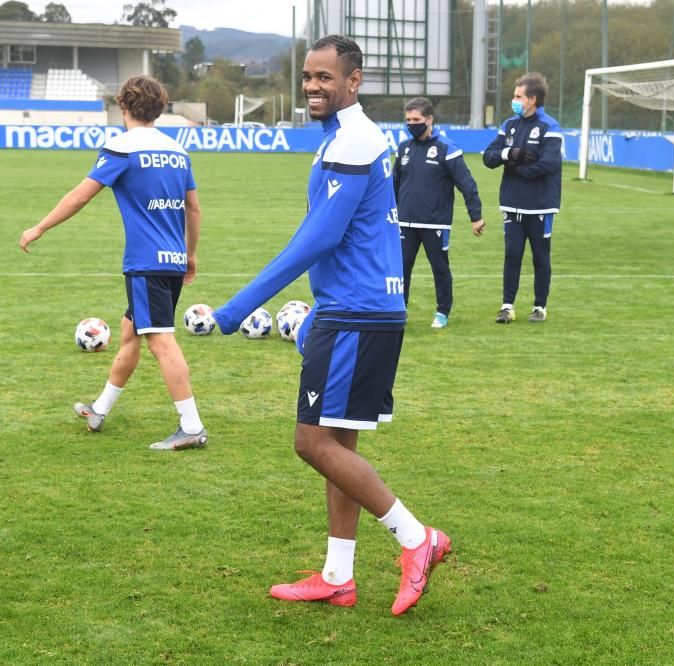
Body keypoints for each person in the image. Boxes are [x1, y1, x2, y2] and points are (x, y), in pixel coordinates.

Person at [212, 35, 451, 617]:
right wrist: (317, 305)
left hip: (358, 314)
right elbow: (352, 233)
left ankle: (418, 538)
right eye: (308, 76)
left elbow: (322, 235)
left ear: (354, 80)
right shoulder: (345, 139)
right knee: (338, 442)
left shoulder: (356, 138)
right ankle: (338, 577)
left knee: (312, 442)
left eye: (325, 76)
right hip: (353, 308)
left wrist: (239, 304)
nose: (313, 86)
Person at [19, 75, 206, 451]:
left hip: (146, 262)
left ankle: (191, 425)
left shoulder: (121, 148)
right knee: (129, 332)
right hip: (170, 259)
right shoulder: (177, 152)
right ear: (159, 109)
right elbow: (194, 207)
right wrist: (190, 254)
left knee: (161, 342)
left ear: (124, 108)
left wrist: (40, 227)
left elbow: (80, 196)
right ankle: (99, 409)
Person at [394, 97, 485, 329]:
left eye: (416, 119)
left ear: (429, 119)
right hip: (405, 222)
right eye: (408, 120)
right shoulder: (404, 148)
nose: (411, 124)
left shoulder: (447, 148)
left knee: (440, 268)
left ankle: (442, 312)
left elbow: (467, 183)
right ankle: (398, 311)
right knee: (401, 268)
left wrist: (475, 216)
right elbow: (393, 186)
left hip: (436, 223)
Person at [482, 72, 563, 323]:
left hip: (540, 205)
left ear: (533, 99)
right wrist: (509, 153)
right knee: (512, 255)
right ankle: (507, 306)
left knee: (540, 256)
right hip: (511, 203)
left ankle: (540, 306)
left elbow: (548, 164)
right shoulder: (509, 125)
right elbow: (489, 157)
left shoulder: (550, 127)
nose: (514, 100)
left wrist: (516, 168)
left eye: (518, 96)